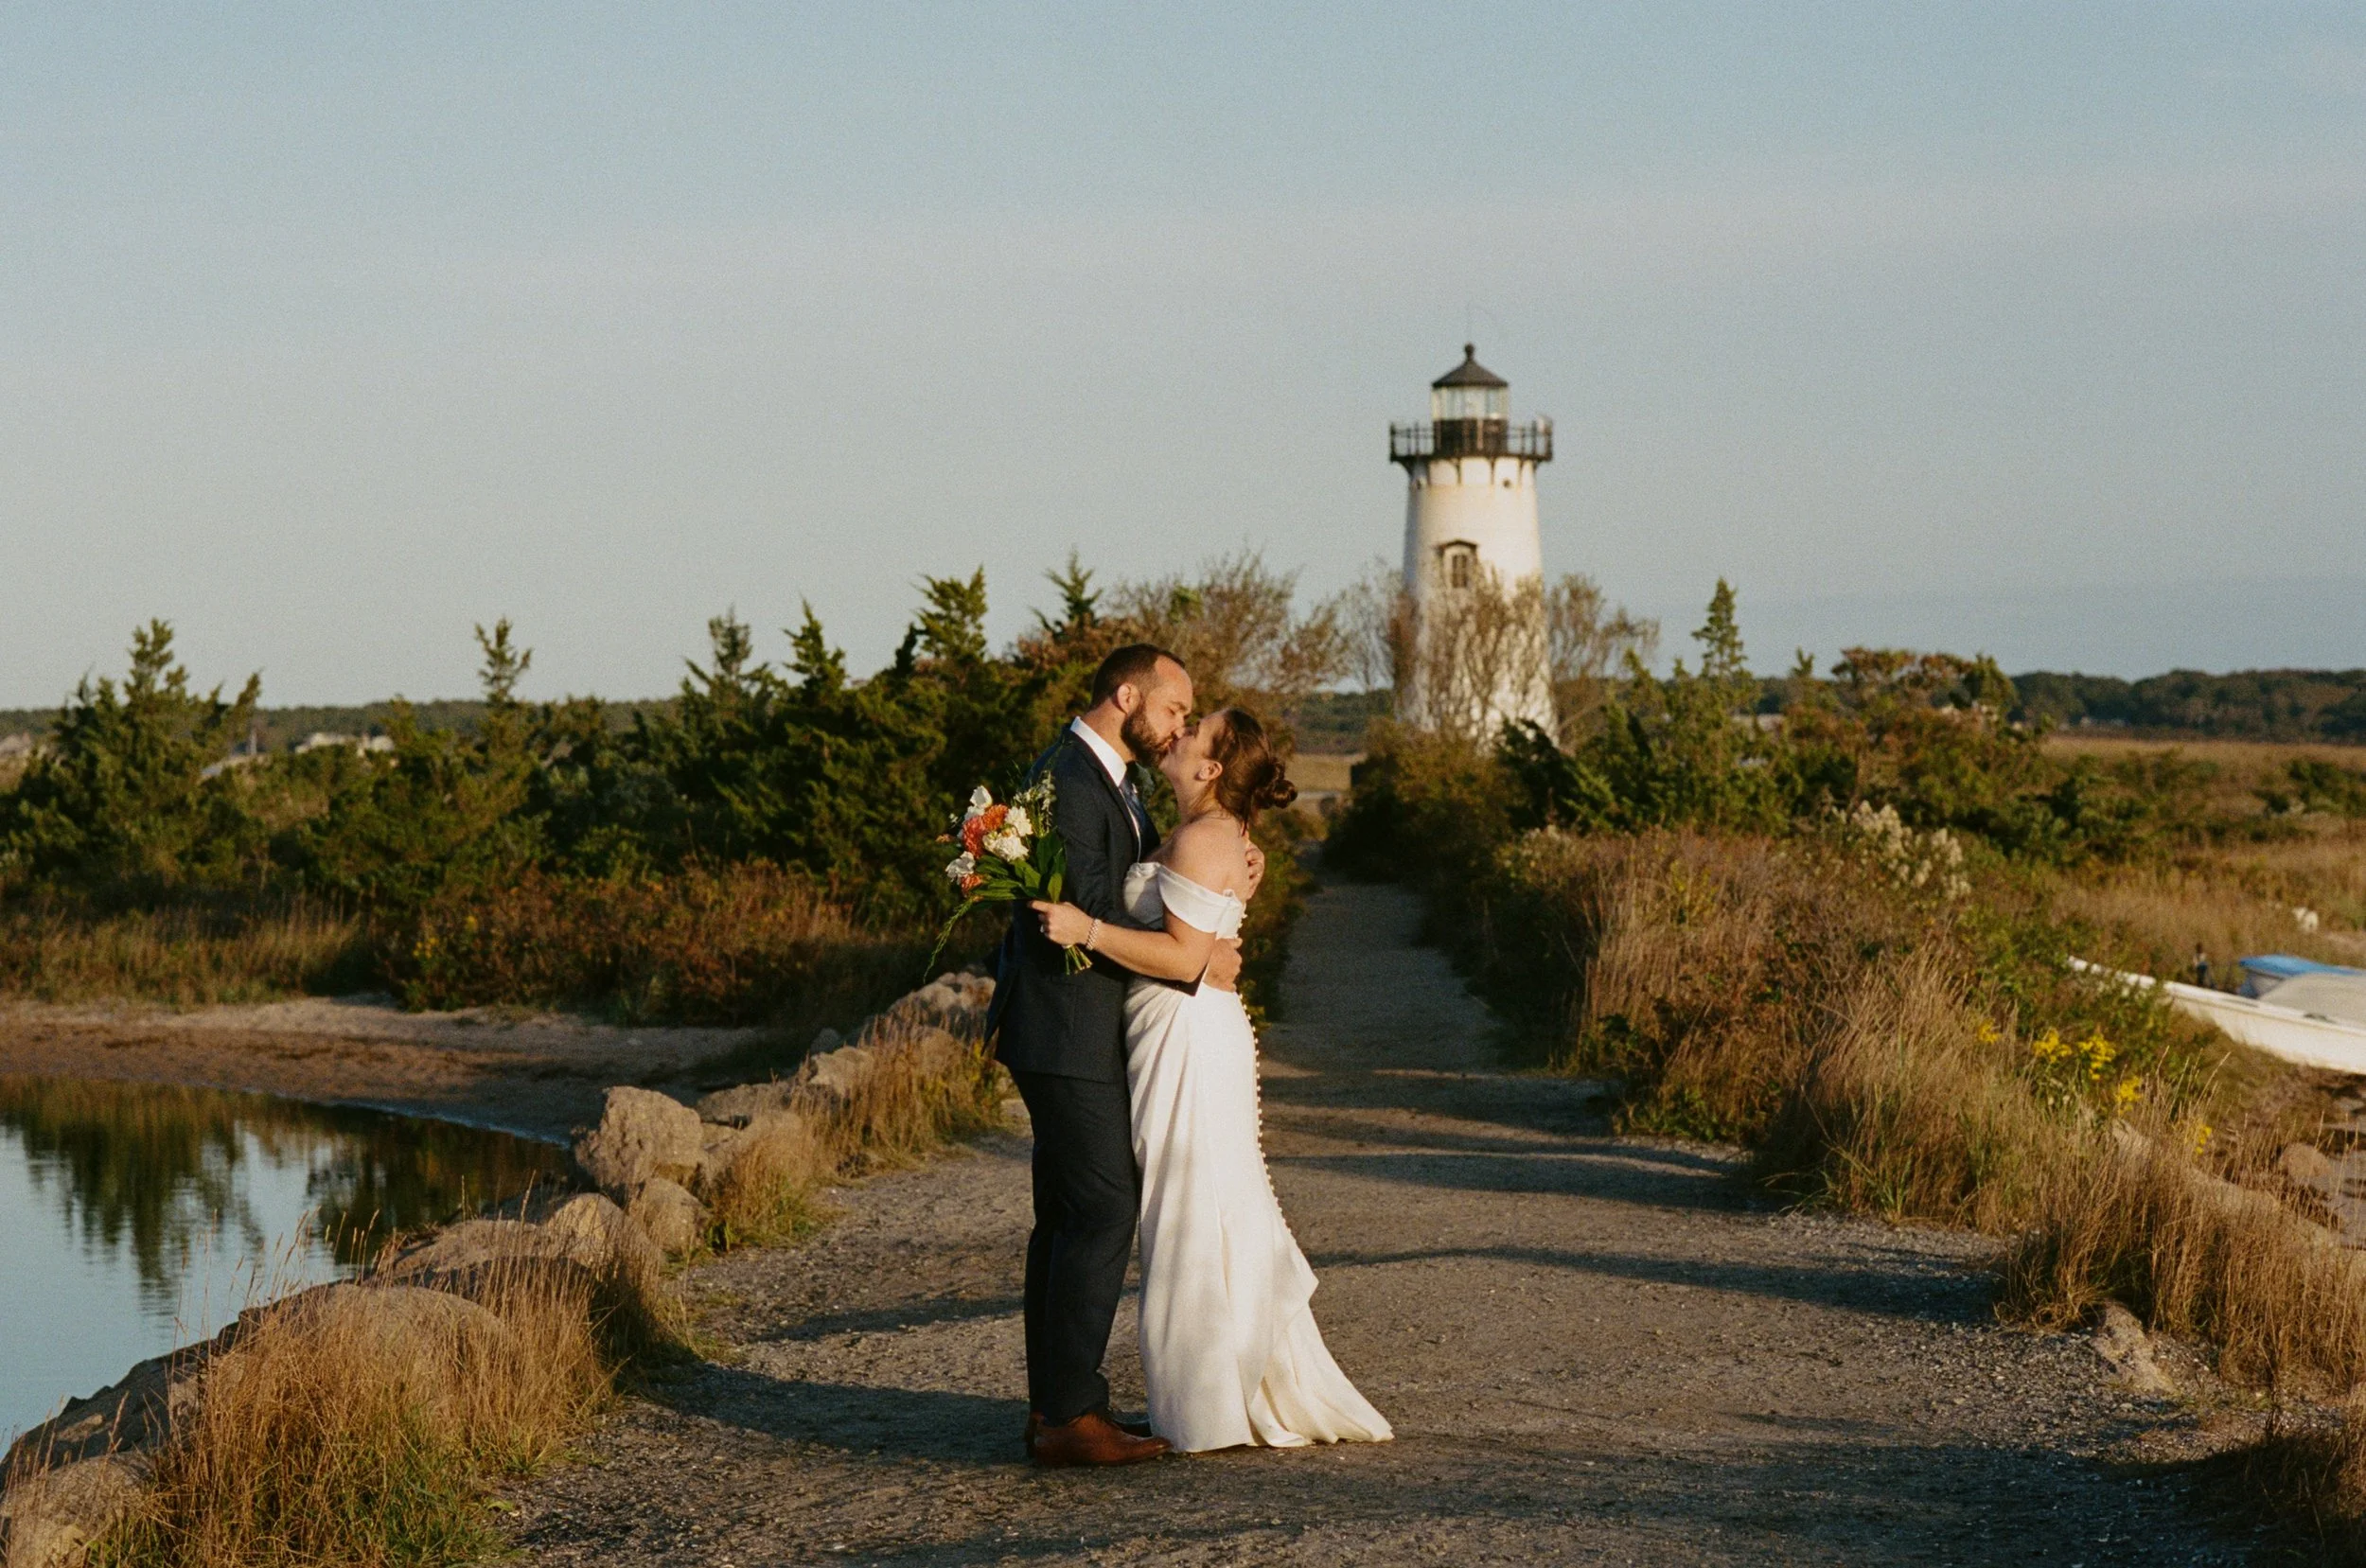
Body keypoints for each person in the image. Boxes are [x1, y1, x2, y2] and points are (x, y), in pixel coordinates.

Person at [1032, 705, 1392, 1454]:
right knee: (1197, 1204)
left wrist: (1086, 929)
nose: (1182, 729)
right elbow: (1201, 940)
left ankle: (1204, 1406)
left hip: (1188, 1034)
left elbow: (1181, 956)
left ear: (1212, 769)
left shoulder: (1202, 837)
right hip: (1174, 1028)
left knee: (1192, 1208)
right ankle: (1219, 1388)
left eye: (1196, 729)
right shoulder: (1196, 833)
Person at [985, 643, 1256, 1467]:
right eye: (1174, 709)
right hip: (1065, 1028)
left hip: (1083, 1026)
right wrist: (1197, 953)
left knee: (1069, 1213)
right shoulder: (1069, 778)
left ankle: (1055, 1405)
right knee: (1103, 1208)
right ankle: (1072, 1413)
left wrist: (1228, 878)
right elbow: (1091, 907)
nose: (1177, 726)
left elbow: (1152, 876)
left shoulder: (1112, 776)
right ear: (1127, 694)